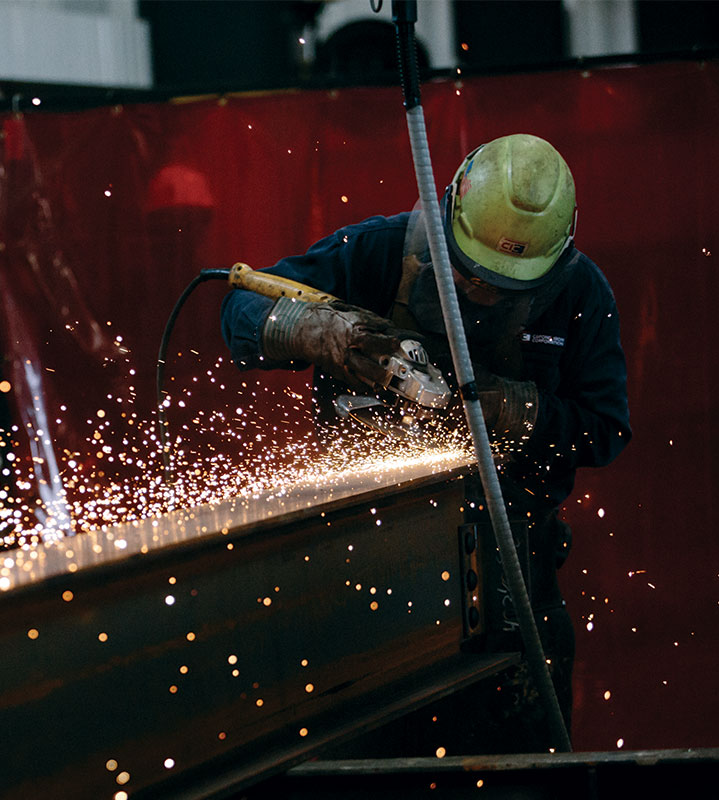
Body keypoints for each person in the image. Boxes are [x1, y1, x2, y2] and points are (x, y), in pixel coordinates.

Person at [221, 133, 631, 750]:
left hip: (514, 585)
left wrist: (513, 409)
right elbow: (237, 316)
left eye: (505, 286)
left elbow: (605, 429)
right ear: (450, 216)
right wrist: (315, 331)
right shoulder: (380, 252)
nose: (484, 293)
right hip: (359, 581)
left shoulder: (579, 294)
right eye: (472, 275)